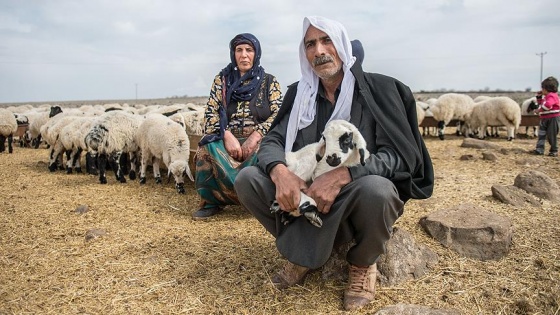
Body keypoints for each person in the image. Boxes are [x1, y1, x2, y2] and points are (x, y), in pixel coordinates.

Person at [234, 16, 433, 311]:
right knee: (247, 179)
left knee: (378, 189)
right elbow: (273, 141)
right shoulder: (301, 95)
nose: (319, 51)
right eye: (310, 44)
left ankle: (363, 263)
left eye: (326, 41)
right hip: (306, 197)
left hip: (352, 196)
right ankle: (303, 250)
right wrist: (280, 173)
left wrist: (344, 175)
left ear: (341, 45)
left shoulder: (378, 90)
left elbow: (397, 156)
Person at [192, 33, 283, 219]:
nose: (244, 55)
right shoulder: (222, 80)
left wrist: (256, 135)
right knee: (205, 149)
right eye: (239, 50)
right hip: (227, 141)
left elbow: (278, 114)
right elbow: (211, 112)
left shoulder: (269, 82)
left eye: (249, 50)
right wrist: (226, 135)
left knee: (271, 151)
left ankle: (261, 200)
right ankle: (212, 200)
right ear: (233, 54)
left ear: (256, 53)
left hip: (258, 142)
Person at [532, 76, 559, 157]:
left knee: (551, 135)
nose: (541, 89)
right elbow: (542, 104)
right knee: (541, 134)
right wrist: (539, 97)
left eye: (542, 88)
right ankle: (539, 149)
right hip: (544, 118)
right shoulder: (547, 97)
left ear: (546, 89)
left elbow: (548, 106)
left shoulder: (552, 96)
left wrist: (538, 110)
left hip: (553, 118)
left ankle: (554, 150)